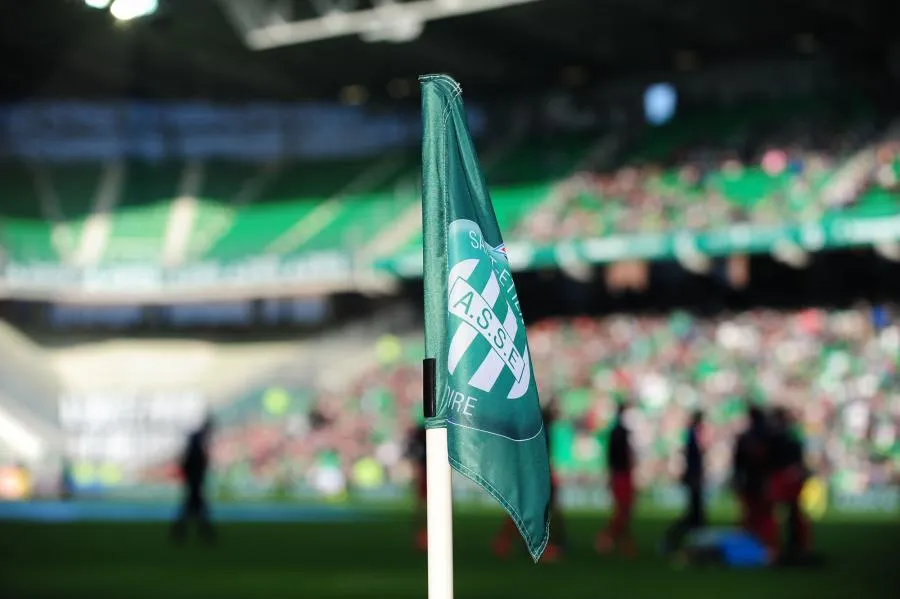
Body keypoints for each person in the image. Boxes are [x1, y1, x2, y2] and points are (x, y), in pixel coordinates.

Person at [492, 400, 567, 561]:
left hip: (531, 475)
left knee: (524, 511)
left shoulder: (534, 429)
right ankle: (540, 546)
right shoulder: (542, 431)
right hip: (537, 477)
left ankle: (504, 542)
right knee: (538, 513)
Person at [731, 404, 776, 560]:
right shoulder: (769, 437)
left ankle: (749, 548)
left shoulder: (746, 438)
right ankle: (766, 548)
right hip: (763, 482)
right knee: (764, 517)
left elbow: (737, 464)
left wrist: (737, 481)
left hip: (751, 482)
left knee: (750, 515)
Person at [769, 407, 811, 557]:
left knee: (781, 513)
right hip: (788, 478)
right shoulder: (789, 437)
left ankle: (786, 545)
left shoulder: (779, 438)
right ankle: (793, 545)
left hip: (784, 479)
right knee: (791, 513)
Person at [596, 402, 636, 556]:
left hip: (619, 474)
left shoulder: (615, 431)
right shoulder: (622, 432)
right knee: (623, 510)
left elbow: (610, 456)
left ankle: (618, 541)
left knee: (623, 510)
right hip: (622, 475)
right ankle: (608, 539)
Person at [663, 409, 706, 554]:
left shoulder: (692, 434)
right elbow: (693, 458)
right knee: (695, 515)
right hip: (693, 477)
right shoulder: (692, 435)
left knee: (695, 515)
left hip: (693, 477)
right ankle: (673, 540)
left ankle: (683, 543)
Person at [171, 417, 216, 544]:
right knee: (197, 508)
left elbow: (188, 461)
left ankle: (182, 532)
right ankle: (205, 534)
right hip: (195, 480)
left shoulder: (196, 440)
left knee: (192, 508)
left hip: (194, 480)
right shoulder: (197, 441)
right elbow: (194, 461)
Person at [405, 423, 428, 552]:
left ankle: (422, 536)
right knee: (421, 508)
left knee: (422, 508)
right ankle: (421, 536)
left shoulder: (422, 443)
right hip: (424, 476)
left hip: (427, 475)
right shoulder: (421, 444)